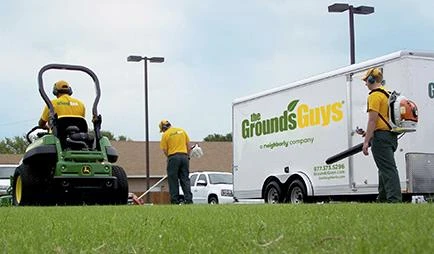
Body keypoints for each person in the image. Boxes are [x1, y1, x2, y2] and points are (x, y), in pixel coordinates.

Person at [360, 68, 402, 203]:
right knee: (383, 168)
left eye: (366, 81)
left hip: (381, 138)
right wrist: (368, 133)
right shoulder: (387, 94)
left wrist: (366, 142)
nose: (365, 83)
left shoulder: (374, 95)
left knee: (388, 169)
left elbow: (372, 120)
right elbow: (382, 120)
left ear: (371, 80)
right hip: (390, 136)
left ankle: (394, 200)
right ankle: (383, 199)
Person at [159, 119, 193, 204]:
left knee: (173, 179)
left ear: (163, 128)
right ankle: (188, 200)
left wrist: (170, 158)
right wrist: (187, 156)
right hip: (184, 156)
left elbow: (165, 150)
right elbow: (188, 146)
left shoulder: (165, 135)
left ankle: (175, 200)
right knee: (185, 179)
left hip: (173, 157)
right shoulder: (182, 131)